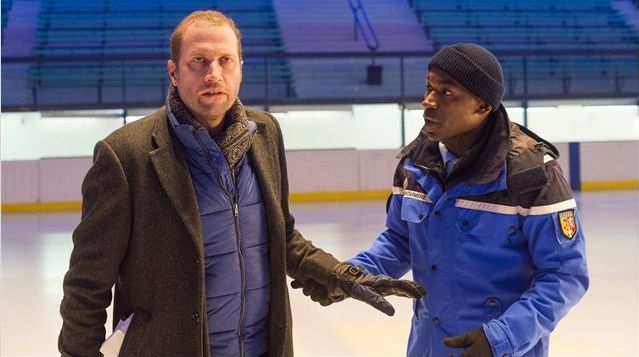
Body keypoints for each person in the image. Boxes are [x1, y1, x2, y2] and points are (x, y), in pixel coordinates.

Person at [58, 10, 423, 357]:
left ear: (240, 68)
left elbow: (282, 237)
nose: (213, 73)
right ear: (173, 72)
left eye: (225, 60)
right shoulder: (126, 155)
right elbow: (86, 283)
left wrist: (339, 275)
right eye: (198, 61)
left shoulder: (264, 133)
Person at [292, 43, 589, 357]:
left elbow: (565, 275)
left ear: (483, 106)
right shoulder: (415, 164)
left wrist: (501, 338)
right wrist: (350, 276)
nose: (428, 102)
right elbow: (399, 241)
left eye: (446, 92)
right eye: (428, 88)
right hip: (428, 347)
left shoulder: (530, 175)